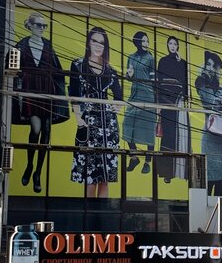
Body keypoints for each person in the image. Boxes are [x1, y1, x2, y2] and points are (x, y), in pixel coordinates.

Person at [13, 12, 67, 194]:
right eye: (38, 25)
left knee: (47, 132)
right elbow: (11, 67)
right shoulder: (21, 45)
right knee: (35, 129)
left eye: (44, 26)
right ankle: (29, 165)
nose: (42, 28)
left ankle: (38, 173)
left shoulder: (48, 45)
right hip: (31, 89)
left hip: (47, 89)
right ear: (30, 25)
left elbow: (57, 68)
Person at [69, 26, 123, 198]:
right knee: (90, 177)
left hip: (109, 127)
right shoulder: (78, 65)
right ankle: (89, 215)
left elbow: (119, 96)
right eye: (95, 41)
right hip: (88, 124)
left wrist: (116, 108)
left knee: (105, 178)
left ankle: (102, 215)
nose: (98, 46)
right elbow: (74, 94)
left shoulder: (111, 70)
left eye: (102, 43)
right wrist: (79, 120)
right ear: (88, 43)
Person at [196, 51, 222, 196]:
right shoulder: (200, 81)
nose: (211, 68)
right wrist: (218, 101)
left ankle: (220, 210)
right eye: (208, 64)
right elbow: (209, 101)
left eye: (214, 66)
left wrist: (221, 100)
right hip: (211, 133)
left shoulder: (218, 85)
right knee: (209, 180)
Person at [155, 36, 189, 183]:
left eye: (175, 43)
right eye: (170, 43)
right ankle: (166, 172)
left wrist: (185, 98)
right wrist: (158, 103)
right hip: (165, 100)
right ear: (167, 45)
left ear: (178, 46)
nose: (173, 46)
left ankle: (181, 172)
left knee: (180, 134)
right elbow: (157, 82)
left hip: (179, 100)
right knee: (167, 136)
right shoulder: (162, 61)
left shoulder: (183, 63)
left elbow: (186, 83)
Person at [122, 30, 156, 174]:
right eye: (143, 41)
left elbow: (154, 80)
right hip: (134, 96)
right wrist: (128, 75)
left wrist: (157, 103)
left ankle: (148, 161)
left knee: (149, 130)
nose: (146, 43)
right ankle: (134, 157)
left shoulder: (151, 59)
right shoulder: (131, 57)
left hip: (148, 96)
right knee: (127, 125)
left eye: (147, 41)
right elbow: (129, 77)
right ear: (137, 42)